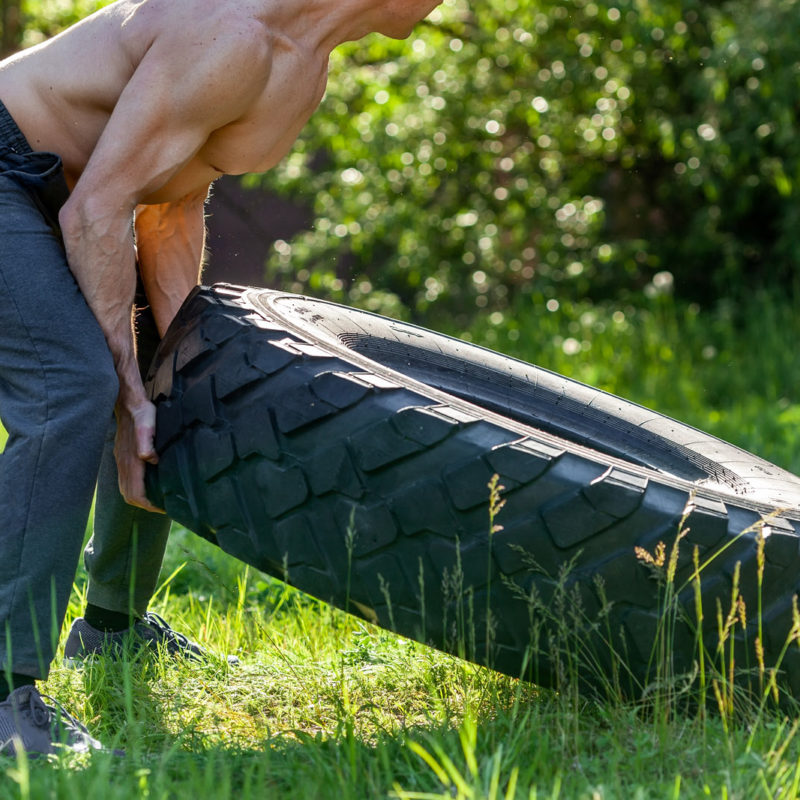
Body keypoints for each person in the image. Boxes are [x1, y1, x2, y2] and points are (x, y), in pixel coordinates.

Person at [0, 0, 440, 755]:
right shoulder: (228, 34)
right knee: (74, 388)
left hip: (75, 199)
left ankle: (111, 627)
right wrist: (125, 390)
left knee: (177, 384)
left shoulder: (301, 68)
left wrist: (172, 366)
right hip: (14, 174)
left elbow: (169, 207)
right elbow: (98, 210)